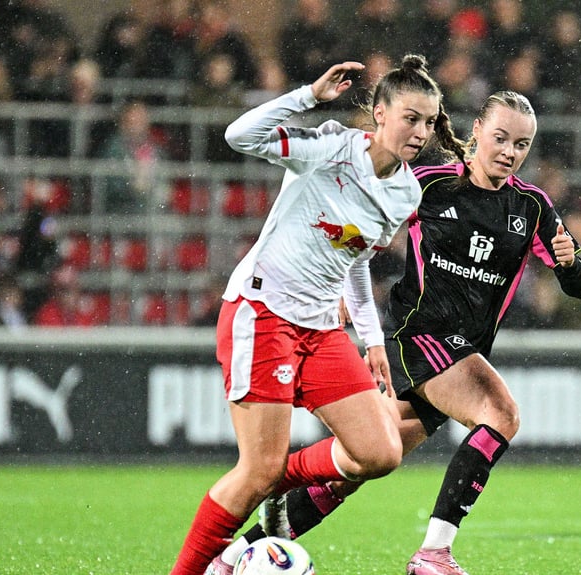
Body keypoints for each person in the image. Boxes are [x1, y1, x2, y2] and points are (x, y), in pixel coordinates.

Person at [209, 90, 581, 575]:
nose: (509, 152)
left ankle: (232, 555)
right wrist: (339, 272)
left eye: (521, 144)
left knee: (356, 467)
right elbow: (364, 234)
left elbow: (577, 286)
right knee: (501, 413)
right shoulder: (428, 186)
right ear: (476, 131)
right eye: (500, 138)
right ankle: (433, 554)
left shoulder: (532, 206)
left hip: (460, 352)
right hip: (418, 334)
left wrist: (570, 262)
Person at [170, 55, 463, 575]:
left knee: (379, 452)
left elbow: (354, 260)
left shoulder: (406, 192)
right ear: (379, 113)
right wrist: (308, 96)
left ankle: (273, 480)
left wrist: (372, 340)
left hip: (322, 328)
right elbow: (240, 136)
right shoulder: (329, 148)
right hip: (263, 313)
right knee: (256, 468)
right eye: (410, 118)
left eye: (429, 121)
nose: (420, 132)